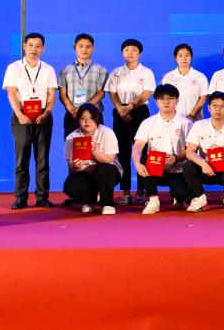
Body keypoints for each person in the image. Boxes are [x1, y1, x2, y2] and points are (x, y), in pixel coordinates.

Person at [4, 32, 59, 209]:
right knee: (22, 159)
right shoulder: (14, 68)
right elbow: (11, 93)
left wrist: (47, 113)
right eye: (30, 45)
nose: (33, 49)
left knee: (42, 159)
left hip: (43, 115)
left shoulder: (48, 69)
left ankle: (42, 197)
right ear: (24, 46)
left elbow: (51, 94)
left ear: (43, 48)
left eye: (37, 46)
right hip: (21, 114)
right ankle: (20, 197)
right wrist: (20, 115)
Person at [105, 38, 156, 205]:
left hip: (140, 112)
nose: (130, 53)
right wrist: (121, 108)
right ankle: (126, 191)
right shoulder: (116, 72)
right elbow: (112, 93)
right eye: (127, 50)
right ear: (122, 53)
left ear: (139, 53)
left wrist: (131, 107)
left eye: (134, 50)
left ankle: (142, 190)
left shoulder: (146, 72)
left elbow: (147, 93)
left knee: (142, 151)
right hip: (120, 112)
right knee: (123, 152)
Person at [131, 84, 192, 215]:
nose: (166, 102)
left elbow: (191, 150)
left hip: (178, 169)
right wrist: (136, 163)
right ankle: (153, 199)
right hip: (156, 169)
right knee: (145, 158)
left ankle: (179, 197)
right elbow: (137, 146)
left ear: (177, 100)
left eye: (170, 98)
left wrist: (176, 158)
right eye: (161, 98)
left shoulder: (186, 123)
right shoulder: (148, 123)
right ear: (156, 101)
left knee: (181, 194)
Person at [181, 91, 224, 212]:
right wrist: (204, 164)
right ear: (209, 108)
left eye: (222, 106)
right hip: (204, 169)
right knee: (188, 166)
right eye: (214, 105)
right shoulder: (199, 125)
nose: (218, 109)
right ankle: (200, 197)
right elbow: (189, 152)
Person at [62, 103, 121, 214]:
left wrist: (93, 150)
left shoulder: (107, 132)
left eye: (91, 118)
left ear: (97, 119)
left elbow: (109, 160)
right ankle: (91, 200)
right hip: (85, 171)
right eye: (83, 118)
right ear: (78, 120)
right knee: (70, 185)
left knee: (105, 169)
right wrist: (75, 166)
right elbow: (70, 167)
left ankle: (107, 203)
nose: (87, 121)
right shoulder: (71, 138)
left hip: (108, 172)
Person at [57, 33, 108, 138]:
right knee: (72, 146)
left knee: (95, 146)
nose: (84, 49)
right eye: (81, 46)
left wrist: (83, 109)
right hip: (72, 115)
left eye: (88, 46)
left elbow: (101, 93)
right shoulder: (65, 70)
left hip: (94, 115)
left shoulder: (101, 70)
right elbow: (62, 94)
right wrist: (72, 110)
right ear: (74, 47)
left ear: (93, 48)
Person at [160, 43, 208, 122]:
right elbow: (162, 98)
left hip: (195, 120)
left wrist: (192, 115)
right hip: (172, 120)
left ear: (191, 57)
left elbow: (203, 98)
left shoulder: (200, 76)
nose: (184, 58)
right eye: (180, 55)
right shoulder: (168, 77)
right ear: (175, 58)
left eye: (187, 55)